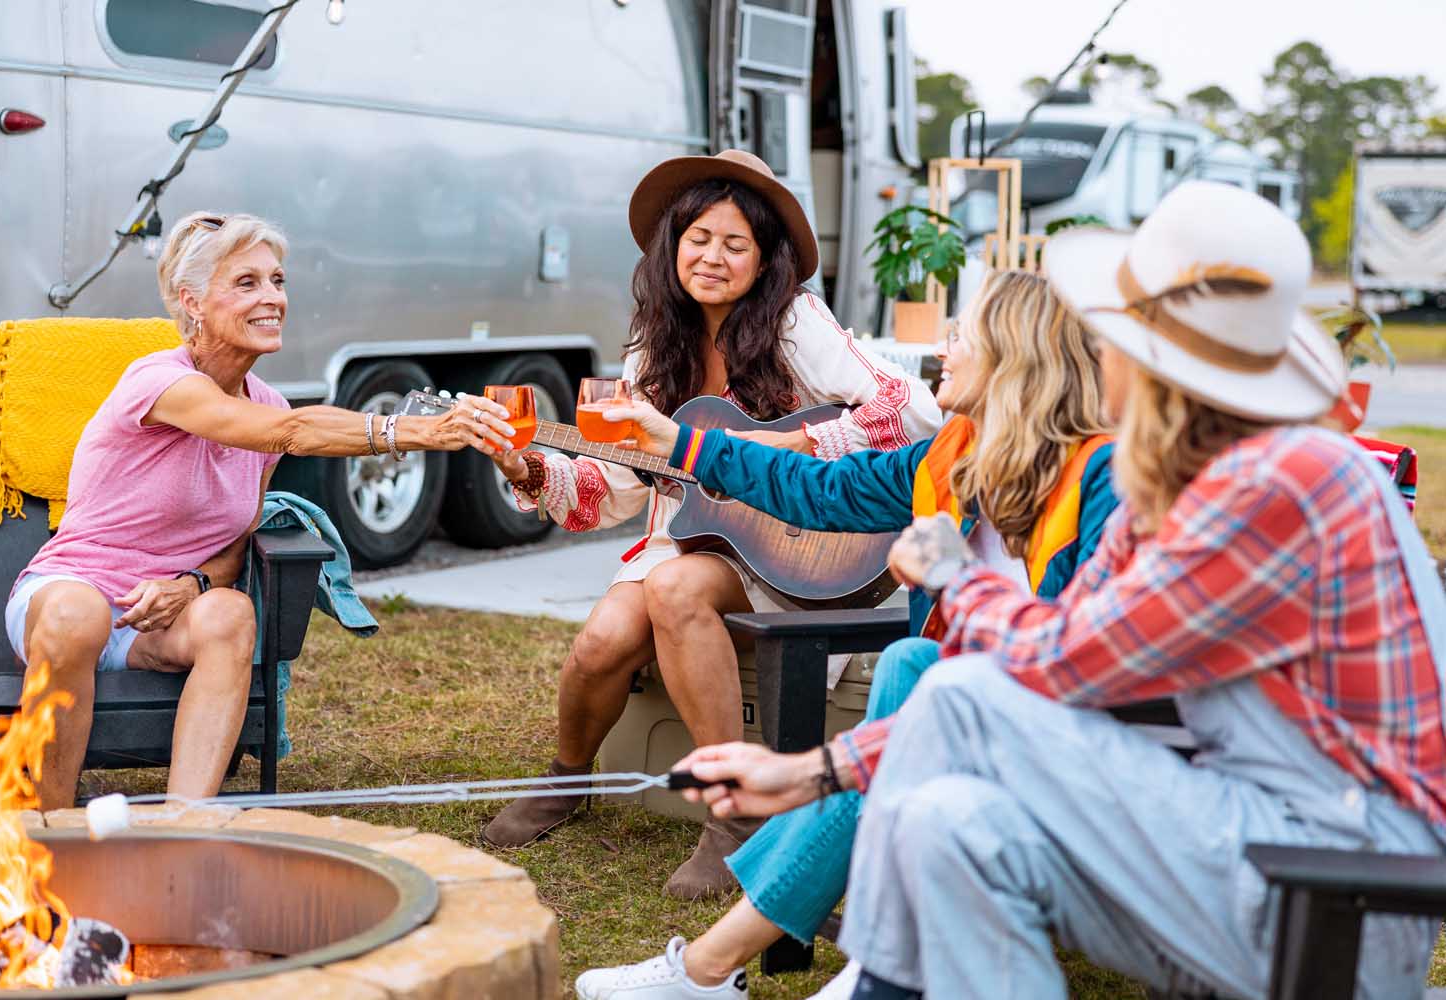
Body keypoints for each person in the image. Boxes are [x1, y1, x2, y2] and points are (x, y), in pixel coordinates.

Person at [662, 181, 1446, 1000]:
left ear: (1146, 359)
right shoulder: (1172, 482)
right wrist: (821, 771)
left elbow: (1068, 668)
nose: (1091, 347)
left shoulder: (1276, 483)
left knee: (951, 685)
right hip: (1226, 830)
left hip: (1338, 885)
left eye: (1106, 332)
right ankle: (852, 978)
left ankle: (771, 972)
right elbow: (1031, 673)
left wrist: (947, 592)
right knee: (942, 823)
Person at [574, 268, 1118, 999]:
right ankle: (811, 967)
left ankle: (724, 970)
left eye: (963, 334)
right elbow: (816, 491)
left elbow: (1097, 651)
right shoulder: (951, 456)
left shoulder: (1104, 477)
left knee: (916, 672)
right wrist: (681, 443)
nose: (943, 350)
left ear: (1016, 354)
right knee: (912, 665)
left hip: (1063, 741)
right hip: (960, 726)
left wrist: (953, 577)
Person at [481, 150, 939, 899]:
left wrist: (793, 446)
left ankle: (734, 818)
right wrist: (527, 468)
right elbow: (623, 482)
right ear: (673, 243)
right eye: (699, 237)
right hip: (694, 534)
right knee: (601, 639)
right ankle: (567, 780)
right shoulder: (652, 341)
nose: (713, 257)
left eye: (736, 244)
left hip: (796, 539)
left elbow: (913, 408)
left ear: (764, 262)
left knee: (673, 592)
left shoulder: (796, 322)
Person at [10, 211, 518, 811]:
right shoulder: (160, 381)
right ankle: (50, 825)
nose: (272, 297)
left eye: (277, 280)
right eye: (246, 283)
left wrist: (189, 584)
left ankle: (184, 828)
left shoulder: (267, 404)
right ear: (191, 301)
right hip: (67, 599)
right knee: (77, 613)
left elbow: (234, 542)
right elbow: (293, 431)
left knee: (228, 613)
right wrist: (420, 431)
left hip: (157, 618)